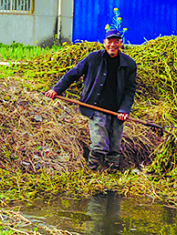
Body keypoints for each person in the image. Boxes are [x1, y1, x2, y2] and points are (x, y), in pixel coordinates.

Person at [46, 28, 137, 170]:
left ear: (121, 43)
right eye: (110, 41)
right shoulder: (93, 58)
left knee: (114, 145)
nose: (112, 45)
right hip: (96, 107)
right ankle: (93, 170)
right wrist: (56, 89)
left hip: (117, 110)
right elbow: (73, 74)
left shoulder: (128, 64)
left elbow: (130, 90)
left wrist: (124, 109)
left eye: (116, 42)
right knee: (100, 144)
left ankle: (113, 172)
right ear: (104, 42)